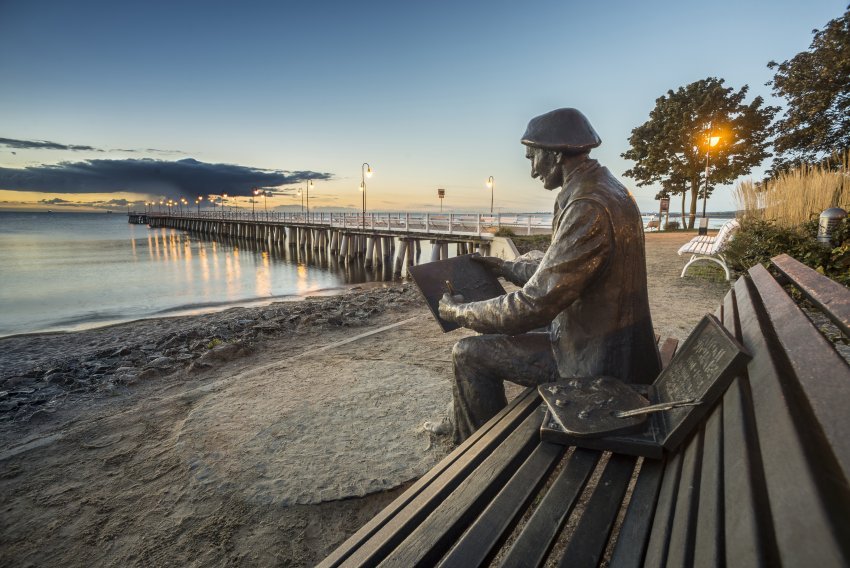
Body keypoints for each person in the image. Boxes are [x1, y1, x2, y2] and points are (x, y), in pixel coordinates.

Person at [438, 108, 661, 443]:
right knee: (496, 340)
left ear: (556, 155)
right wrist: (504, 267)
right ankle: (459, 422)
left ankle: (474, 455)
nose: (531, 171)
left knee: (468, 353)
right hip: (603, 341)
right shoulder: (602, 186)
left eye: (533, 158)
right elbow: (559, 275)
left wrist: (460, 312)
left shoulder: (587, 205)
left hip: (598, 364)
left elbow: (533, 305)